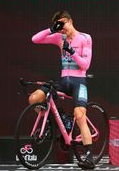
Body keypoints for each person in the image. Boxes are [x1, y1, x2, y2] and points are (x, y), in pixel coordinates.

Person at [29, 11, 95, 169]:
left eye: (63, 23)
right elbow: (34, 39)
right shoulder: (59, 37)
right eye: (59, 25)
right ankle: (53, 124)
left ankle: (89, 156)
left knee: (80, 116)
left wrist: (71, 51)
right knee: (34, 98)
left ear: (71, 21)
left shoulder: (85, 38)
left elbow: (85, 65)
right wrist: (52, 30)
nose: (62, 28)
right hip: (63, 81)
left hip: (79, 82)